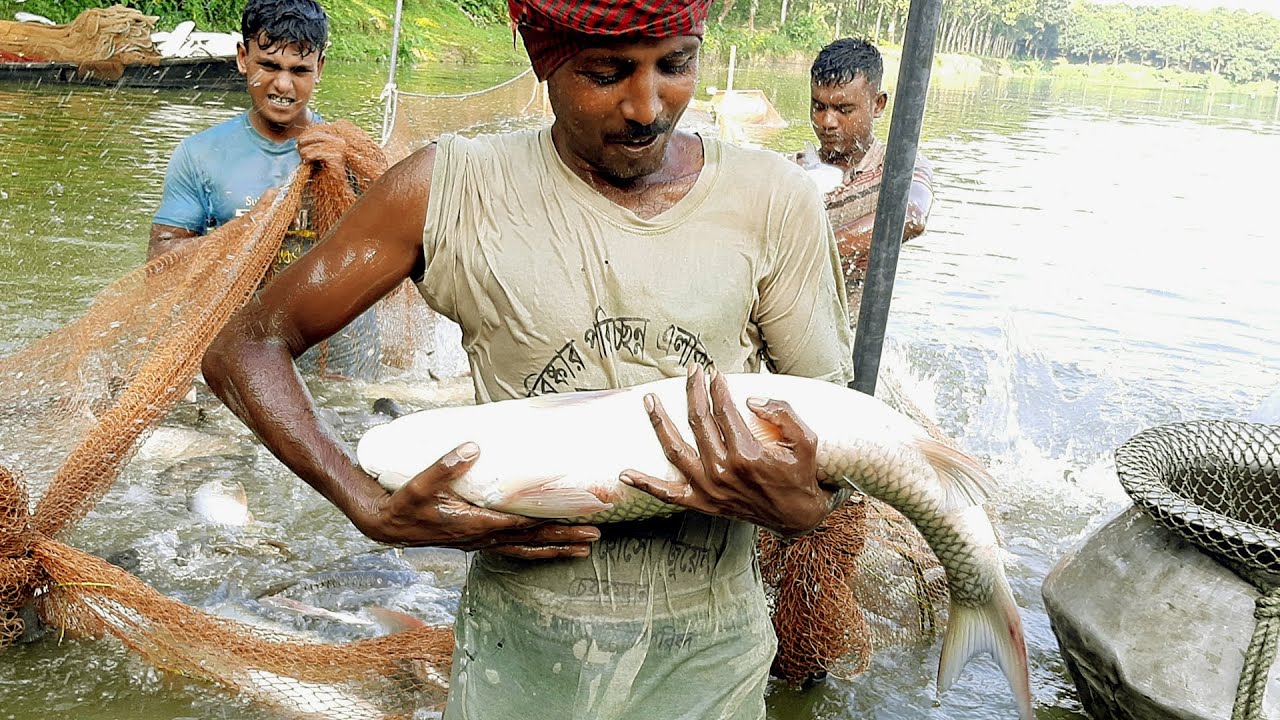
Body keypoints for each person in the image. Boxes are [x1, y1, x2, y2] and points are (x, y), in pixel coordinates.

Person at [202, 0, 855, 717]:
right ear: (546, 63)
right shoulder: (452, 189)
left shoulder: (774, 200)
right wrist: (364, 503)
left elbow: (838, 444)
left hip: (709, 665)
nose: (647, 108)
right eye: (605, 74)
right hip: (517, 662)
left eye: (675, 65)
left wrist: (809, 506)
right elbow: (246, 349)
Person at [151, 0, 379, 377]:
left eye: (299, 70)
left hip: (342, 359)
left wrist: (342, 180)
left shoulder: (350, 152)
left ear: (320, 68)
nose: (283, 85)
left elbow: (389, 257)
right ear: (243, 59)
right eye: (269, 66)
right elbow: (159, 268)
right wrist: (243, 230)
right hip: (248, 351)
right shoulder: (200, 155)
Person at [800, 37, 934, 319]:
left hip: (855, 329)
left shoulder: (896, 168)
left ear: (878, 105)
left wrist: (814, 253)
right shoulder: (792, 170)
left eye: (844, 110)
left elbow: (911, 216)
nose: (827, 122)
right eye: (819, 107)